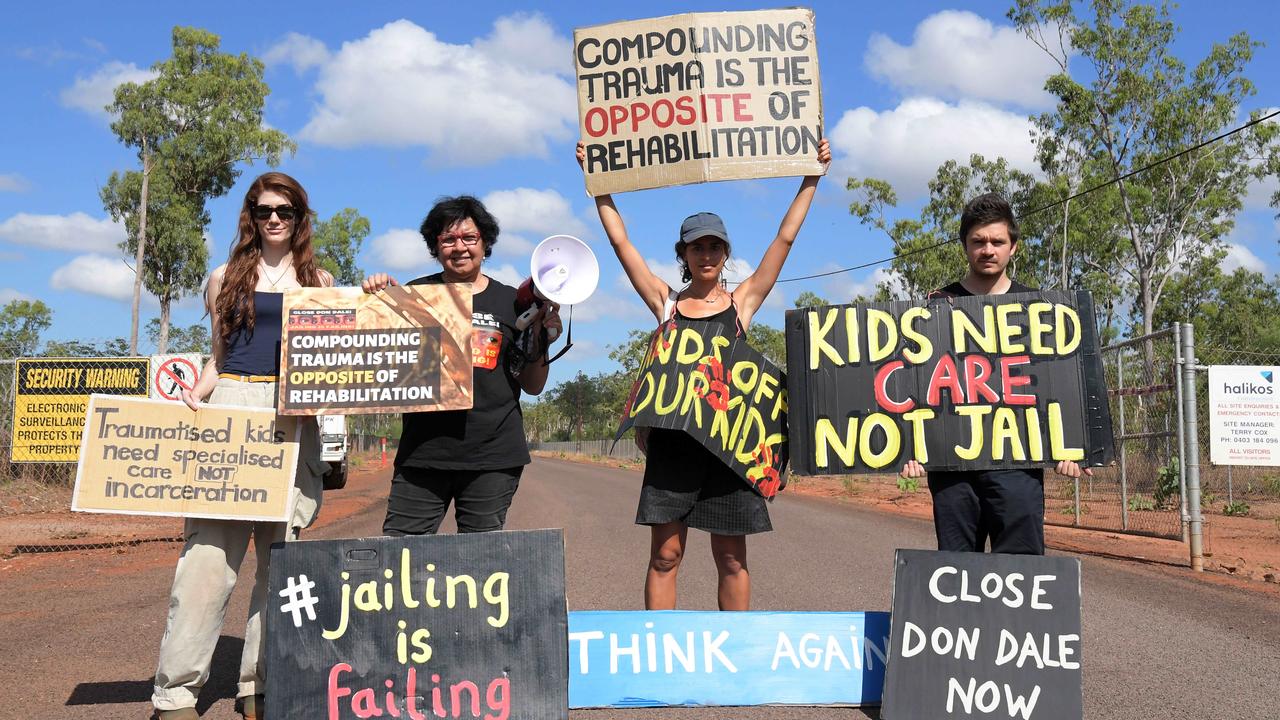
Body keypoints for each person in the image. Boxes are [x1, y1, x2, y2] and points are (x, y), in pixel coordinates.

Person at [578, 138, 831, 611]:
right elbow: (620, 242)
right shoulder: (666, 303)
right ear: (684, 254)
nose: (707, 254)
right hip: (674, 447)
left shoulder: (743, 303)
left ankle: (731, 657)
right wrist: (598, 184)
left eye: (715, 246)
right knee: (666, 555)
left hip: (731, 448)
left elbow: (785, 239)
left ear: (726, 252)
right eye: (698, 247)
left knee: (731, 556)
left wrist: (811, 177)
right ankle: (661, 651)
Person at [152, 172, 333, 720]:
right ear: (250, 217)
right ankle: (177, 693)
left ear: (300, 218)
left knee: (281, 565)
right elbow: (220, 356)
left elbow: (335, 365)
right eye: (263, 210)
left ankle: (259, 683)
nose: (274, 218)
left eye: (285, 210)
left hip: (292, 420)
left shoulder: (321, 282)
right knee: (206, 561)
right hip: (231, 411)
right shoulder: (223, 276)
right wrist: (196, 396)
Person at [899, 192, 1091, 555]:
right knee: (958, 578)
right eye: (978, 241)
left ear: (1013, 247)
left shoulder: (1041, 309)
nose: (988, 249)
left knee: (1021, 576)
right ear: (964, 246)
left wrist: (1074, 445)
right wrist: (909, 448)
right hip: (952, 473)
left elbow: (1058, 385)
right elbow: (916, 385)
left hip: (1018, 470)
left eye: (997, 241)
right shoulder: (934, 309)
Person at [362, 196, 560, 536]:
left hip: (493, 455)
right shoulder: (415, 294)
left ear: (485, 244)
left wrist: (541, 337)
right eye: (448, 239)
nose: (460, 247)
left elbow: (533, 385)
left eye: (470, 238)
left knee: (480, 565)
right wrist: (379, 298)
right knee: (399, 559)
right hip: (423, 452)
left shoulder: (514, 302)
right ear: (435, 247)